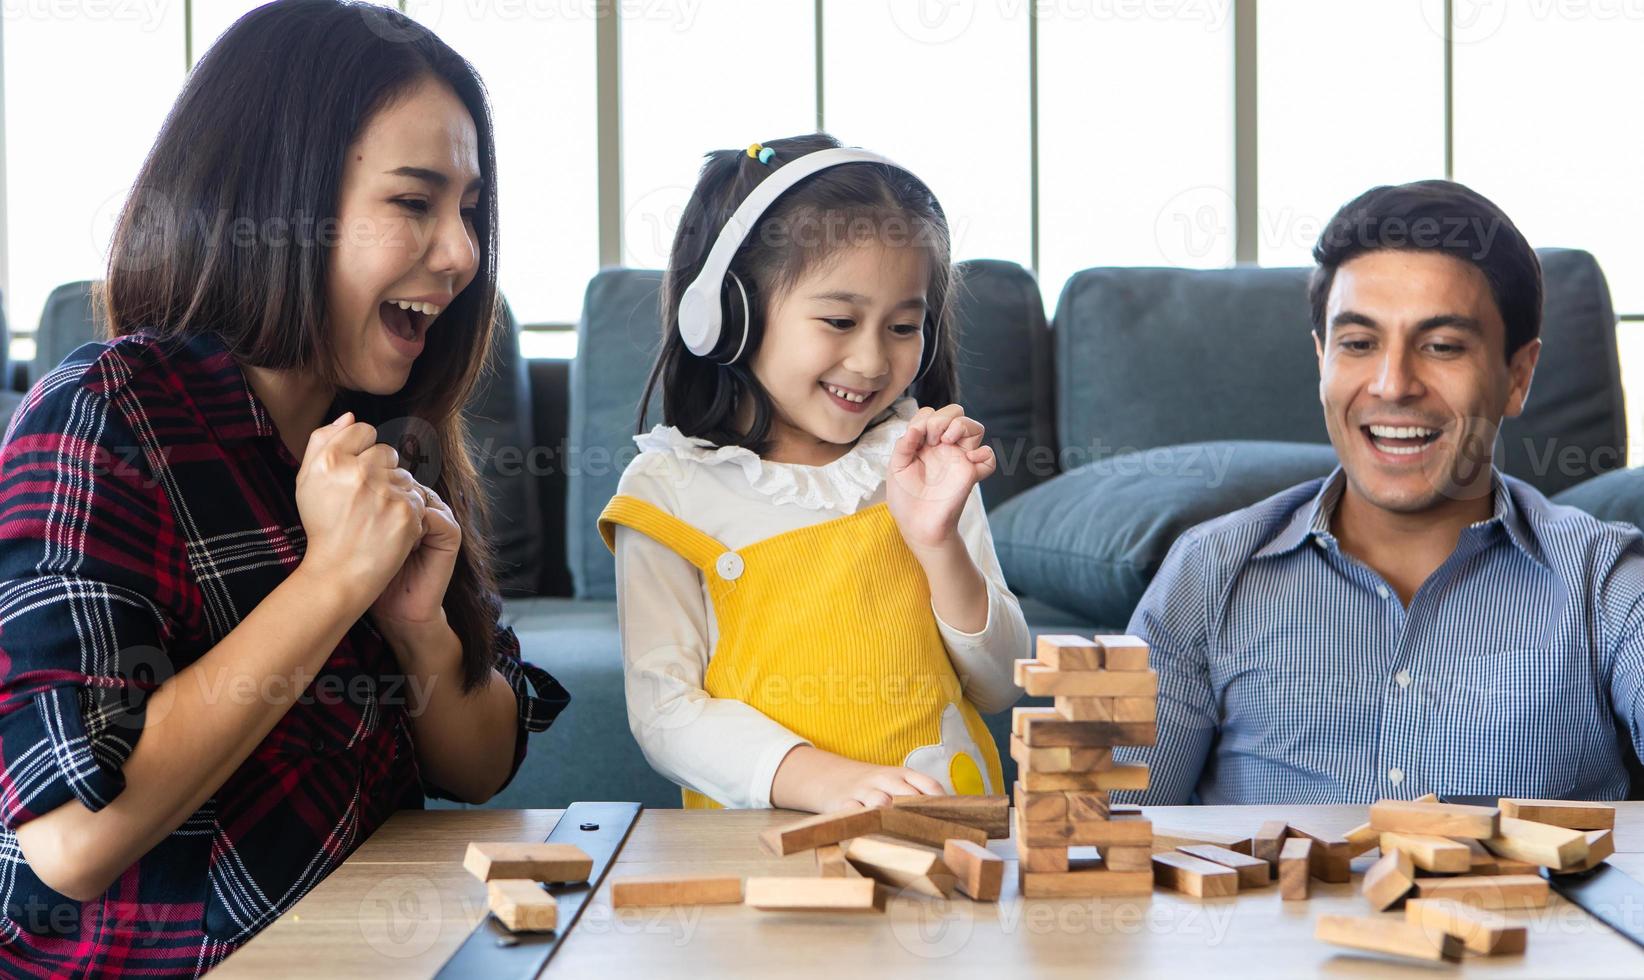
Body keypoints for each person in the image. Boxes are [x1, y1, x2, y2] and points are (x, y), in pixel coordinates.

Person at [0, 2, 567, 972]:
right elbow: (70, 841)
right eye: (414, 201)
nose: (464, 253)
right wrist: (331, 581)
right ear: (274, 199)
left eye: (468, 210)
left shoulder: (391, 436)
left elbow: (477, 765)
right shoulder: (103, 417)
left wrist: (414, 620)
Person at [1116, 179, 1644, 805]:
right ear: (1322, 362)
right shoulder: (1206, 575)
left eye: (1442, 346)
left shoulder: (1606, 584)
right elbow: (1110, 845)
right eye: (1359, 344)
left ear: (1517, 377)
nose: (1393, 385)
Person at [599, 133, 1026, 813]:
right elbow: (665, 715)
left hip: (952, 838)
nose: (869, 361)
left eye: (903, 326)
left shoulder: (920, 467)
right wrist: (824, 781)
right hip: (767, 856)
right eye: (838, 319)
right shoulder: (668, 493)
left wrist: (939, 544)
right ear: (731, 317)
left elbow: (1002, 681)